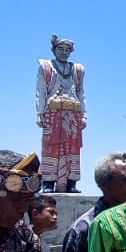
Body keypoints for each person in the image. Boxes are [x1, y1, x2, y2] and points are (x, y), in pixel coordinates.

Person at [35, 34, 87, 193]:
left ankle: (71, 183)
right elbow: (41, 91)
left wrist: (84, 115)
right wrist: (40, 113)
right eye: (60, 49)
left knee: (73, 148)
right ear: (54, 50)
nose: (64, 52)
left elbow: (81, 92)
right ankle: (49, 183)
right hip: (53, 112)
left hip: (73, 113)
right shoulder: (46, 67)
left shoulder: (77, 69)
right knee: (51, 147)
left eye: (67, 50)